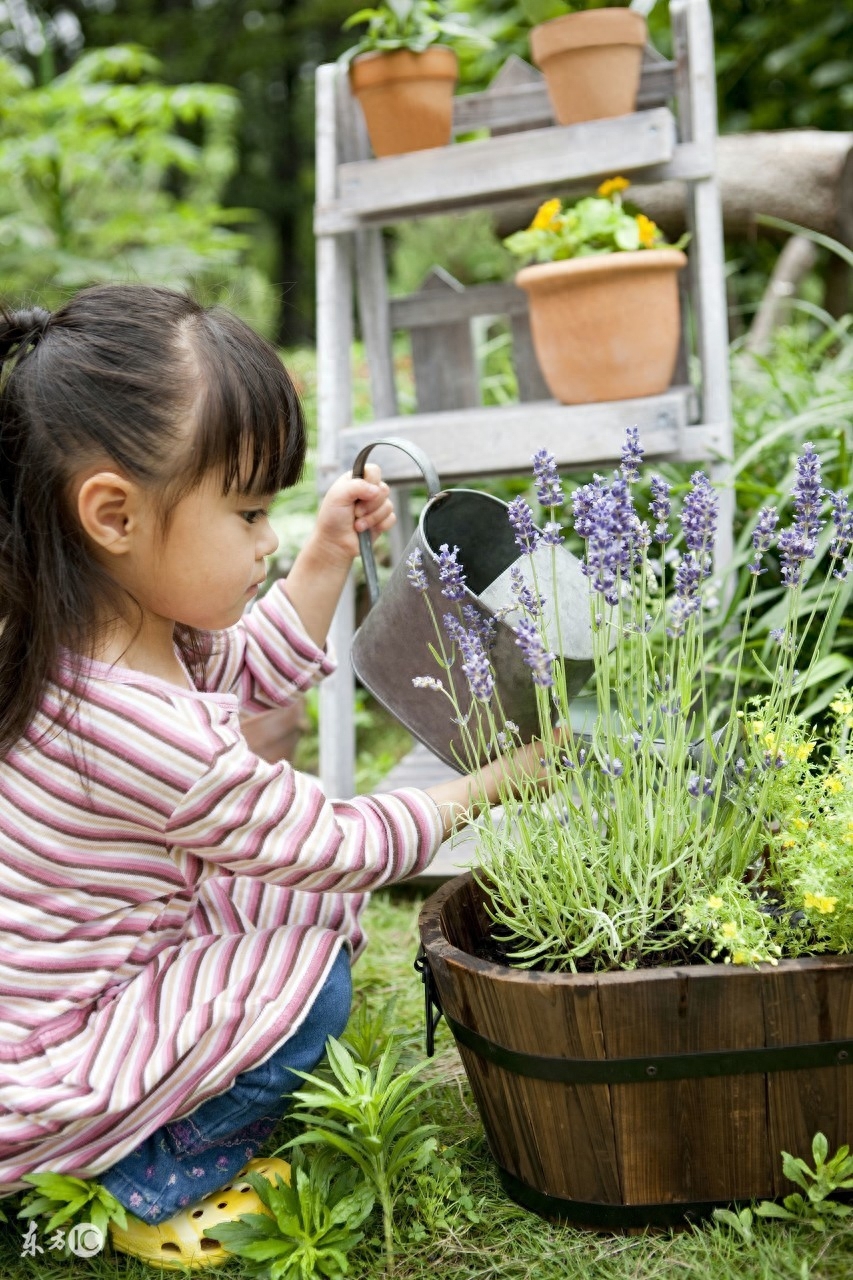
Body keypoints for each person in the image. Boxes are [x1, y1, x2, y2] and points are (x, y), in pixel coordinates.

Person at [0, 284, 543, 1265]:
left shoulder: (89, 634)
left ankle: (151, 1132)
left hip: (56, 995)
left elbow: (246, 660)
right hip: (47, 1066)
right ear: (113, 514)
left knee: (278, 904)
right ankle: (150, 1171)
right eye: (249, 512)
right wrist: (498, 776)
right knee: (312, 978)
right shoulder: (135, 729)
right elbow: (337, 845)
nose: (265, 541)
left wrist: (327, 552)